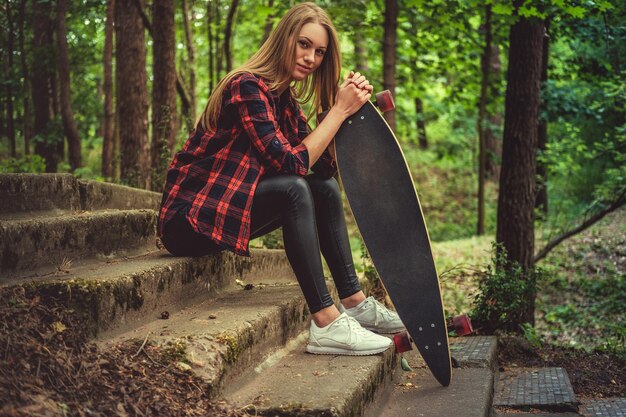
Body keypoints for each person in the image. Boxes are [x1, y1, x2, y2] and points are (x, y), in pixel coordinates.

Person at [157, 2, 404, 356]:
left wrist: (348, 115)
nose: (311, 58)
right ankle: (326, 321)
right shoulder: (247, 87)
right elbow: (290, 163)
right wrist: (337, 111)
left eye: (319, 51)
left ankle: (354, 303)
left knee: (322, 187)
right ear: (284, 38)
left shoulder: (284, 101)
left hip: (227, 214)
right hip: (187, 222)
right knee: (293, 188)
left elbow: (318, 170)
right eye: (304, 44)